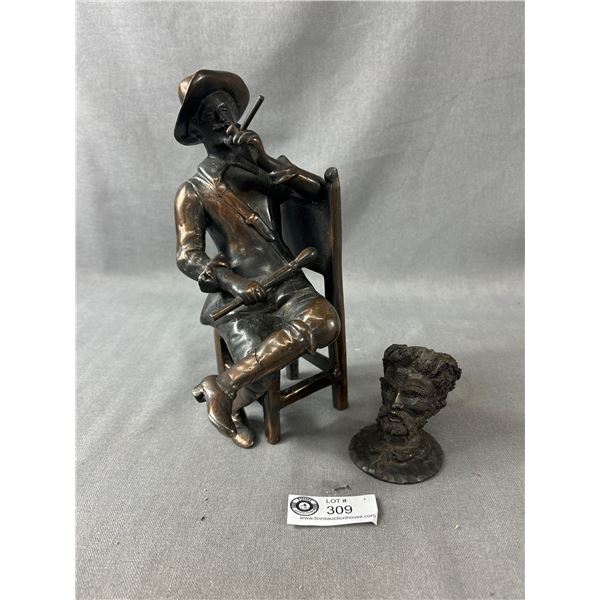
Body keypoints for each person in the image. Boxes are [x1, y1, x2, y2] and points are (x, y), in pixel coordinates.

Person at [173, 70, 340, 448]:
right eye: (211, 116)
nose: (224, 120)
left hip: (288, 283)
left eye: (227, 110)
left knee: (326, 321)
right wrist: (233, 282)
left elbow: (316, 192)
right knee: (261, 373)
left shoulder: (259, 167)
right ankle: (233, 401)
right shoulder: (192, 191)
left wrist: (263, 158)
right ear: (196, 131)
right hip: (239, 299)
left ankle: (221, 386)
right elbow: (188, 254)